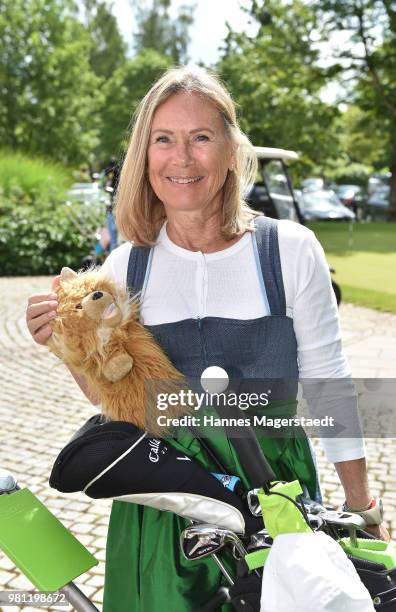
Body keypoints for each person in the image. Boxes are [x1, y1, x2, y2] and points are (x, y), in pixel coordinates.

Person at [26, 65, 390, 611]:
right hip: (164, 501)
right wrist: (66, 348)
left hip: (277, 495)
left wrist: (361, 507)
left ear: (229, 150)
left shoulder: (289, 249)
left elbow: (329, 380)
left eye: (201, 137)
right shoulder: (126, 268)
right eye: (164, 139)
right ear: (144, 156)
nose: (183, 158)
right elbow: (118, 400)